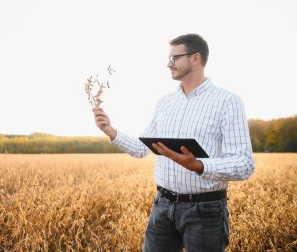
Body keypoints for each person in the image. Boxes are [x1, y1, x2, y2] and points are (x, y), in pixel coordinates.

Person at [92, 34, 255, 252]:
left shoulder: (228, 101)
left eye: (175, 58)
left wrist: (199, 165)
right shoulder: (165, 103)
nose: (169, 64)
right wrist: (110, 131)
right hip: (162, 206)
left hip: (205, 212)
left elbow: (244, 164)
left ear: (195, 58)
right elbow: (142, 149)